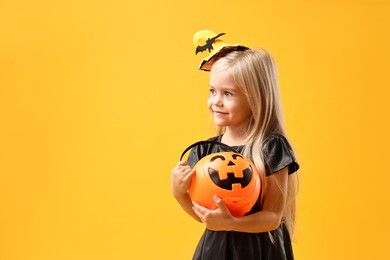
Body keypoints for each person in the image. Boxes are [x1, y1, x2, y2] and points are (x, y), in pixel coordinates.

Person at [171, 32, 300, 260]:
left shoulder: (270, 147)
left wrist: (232, 222)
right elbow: (203, 215)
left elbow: (272, 216)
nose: (216, 101)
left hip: (261, 251)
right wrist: (179, 192)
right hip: (217, 250)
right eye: (212, 91)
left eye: (228, 93)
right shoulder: (204, 151)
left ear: (255, 99)